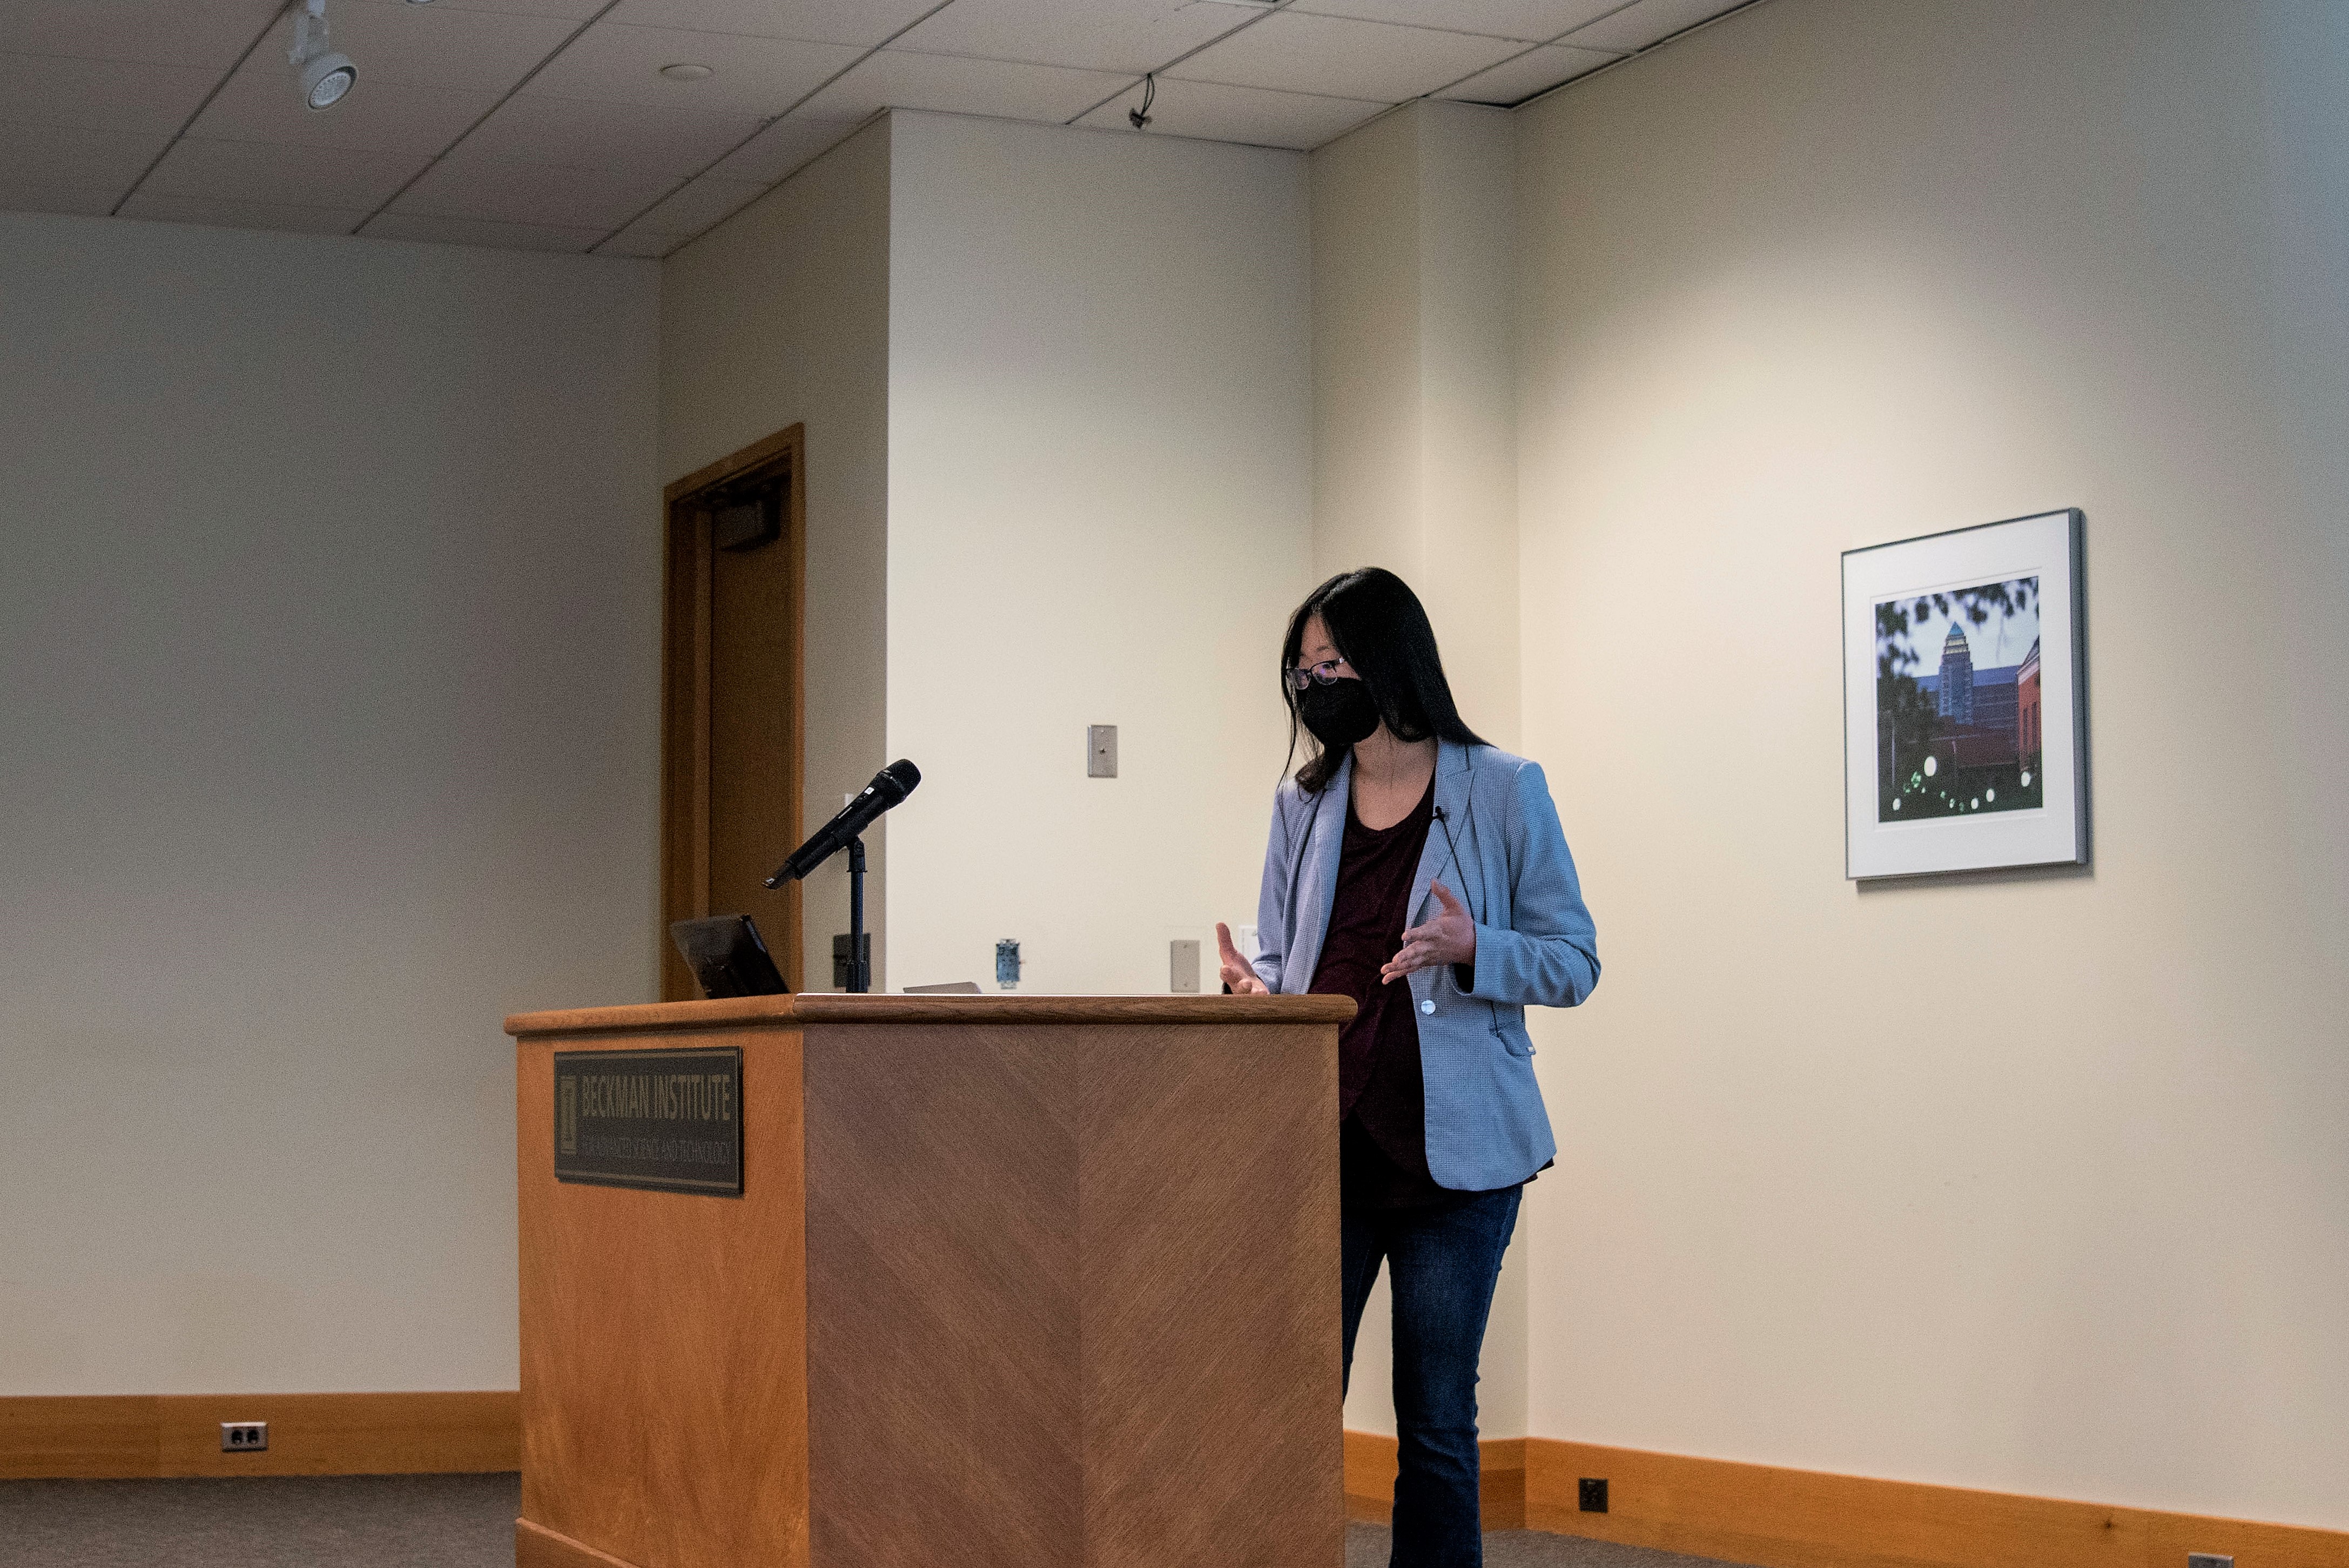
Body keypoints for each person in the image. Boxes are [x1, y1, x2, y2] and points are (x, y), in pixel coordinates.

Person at [1215, 567, 1599, 1568]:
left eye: (1330, 663)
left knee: (1433, 1419)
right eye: (1300, 672)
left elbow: (1574, 961)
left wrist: (1477, 948)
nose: (1312, 687)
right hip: (1324, 1150)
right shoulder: (1299, 804)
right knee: (1292, 1410)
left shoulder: (1504, 789)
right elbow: (1282, 957)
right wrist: (1254, 998)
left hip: (1455, 1167)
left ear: (1390, 660)